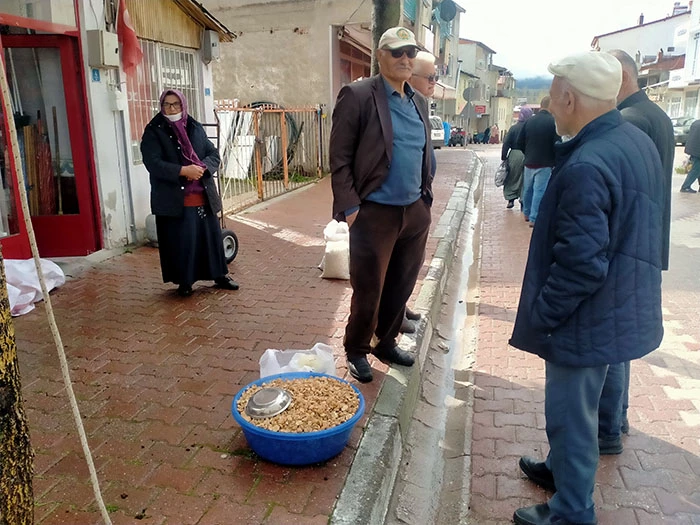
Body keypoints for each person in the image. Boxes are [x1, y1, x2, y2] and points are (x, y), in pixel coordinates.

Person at [510, 52, 664, 525]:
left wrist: (545, 313)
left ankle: (572, 510)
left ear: (570, 98)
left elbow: (580, 264)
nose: (550, 106)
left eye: (553, 97)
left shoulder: (587, 164)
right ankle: (560, 470)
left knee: (571, 416)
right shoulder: (633, 139)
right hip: (618, 301)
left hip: (586, 315)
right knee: (582, 409)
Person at [330, 26, 433, 383]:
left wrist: (425, 198)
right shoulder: (358, 95)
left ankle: (385, 342)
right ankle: (356, 349)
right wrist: (351, 207)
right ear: (380, 55)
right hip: (374, 212)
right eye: (396, 52)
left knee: (402, 284)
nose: (405, 59)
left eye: (410, 53)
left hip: (413, 211)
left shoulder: (418, 100)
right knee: (369, 288)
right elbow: (340, 157)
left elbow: (423, 152)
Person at [596, 49, 676, 455]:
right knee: (620, 341)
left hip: (627, 247)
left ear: (622, 76)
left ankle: (608, 427)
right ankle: (618, 416)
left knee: (610, 342)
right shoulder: (656, 115)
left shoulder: (629, 121)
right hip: (646, 242)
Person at [140, 89, 240, 297]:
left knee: (210, 240)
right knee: (183, 241)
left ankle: (220, 275)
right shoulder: (154, 130)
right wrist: (183, 171)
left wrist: (202, 168)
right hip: (175, 199)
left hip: (202, 194)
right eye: (167, 104)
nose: (172, 108)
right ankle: (185, 282)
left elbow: (213, 153)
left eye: (176, 104)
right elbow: (153, 163)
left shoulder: (194, 126)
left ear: (183, 105)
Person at [516, 96, 559, 227]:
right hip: (545, 163)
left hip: (529, 161)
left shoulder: (529, 121)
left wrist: (527, 153)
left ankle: (527, 213)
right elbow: (557, 143)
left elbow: (519, 142)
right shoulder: (553, 122)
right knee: (539, 190)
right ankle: (535, 218)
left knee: (528, 189)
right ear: (550, 106)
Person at [501, 107, 533, 209]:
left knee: (512, 177)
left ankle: (510, 199)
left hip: (514, 155)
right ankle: (523, 201)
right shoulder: (530, 128)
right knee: (525, 179)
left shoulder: (513, 128)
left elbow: (506, 143)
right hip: (528, 154)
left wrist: (504, 157)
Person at [680, 119, 700, 193]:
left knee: (697, 169)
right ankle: (685, 187)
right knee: (696, 170)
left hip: (693, 149)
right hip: (698, 151)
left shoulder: (696, 123)